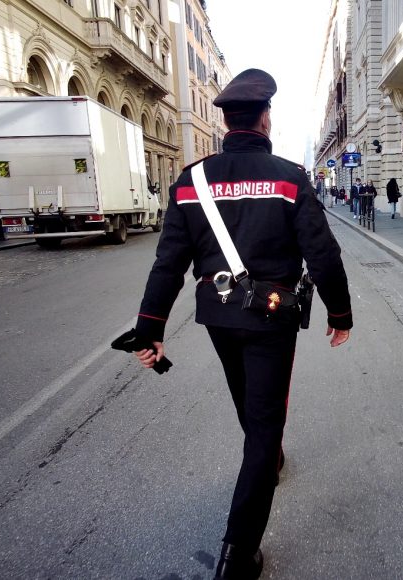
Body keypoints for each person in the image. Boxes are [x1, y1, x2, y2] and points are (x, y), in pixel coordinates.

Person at [128, 69, 353, 580]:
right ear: (265, 118)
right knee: (265, 420)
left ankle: (266, 460)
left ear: (224, 120)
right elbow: (323, 254)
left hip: (219, 317)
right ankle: (237, 551)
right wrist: (340, 314)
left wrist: (150, 326)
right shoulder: (289, 177)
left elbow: (169, 262)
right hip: (271, 317)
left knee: (247, 400)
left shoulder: (192, 179)